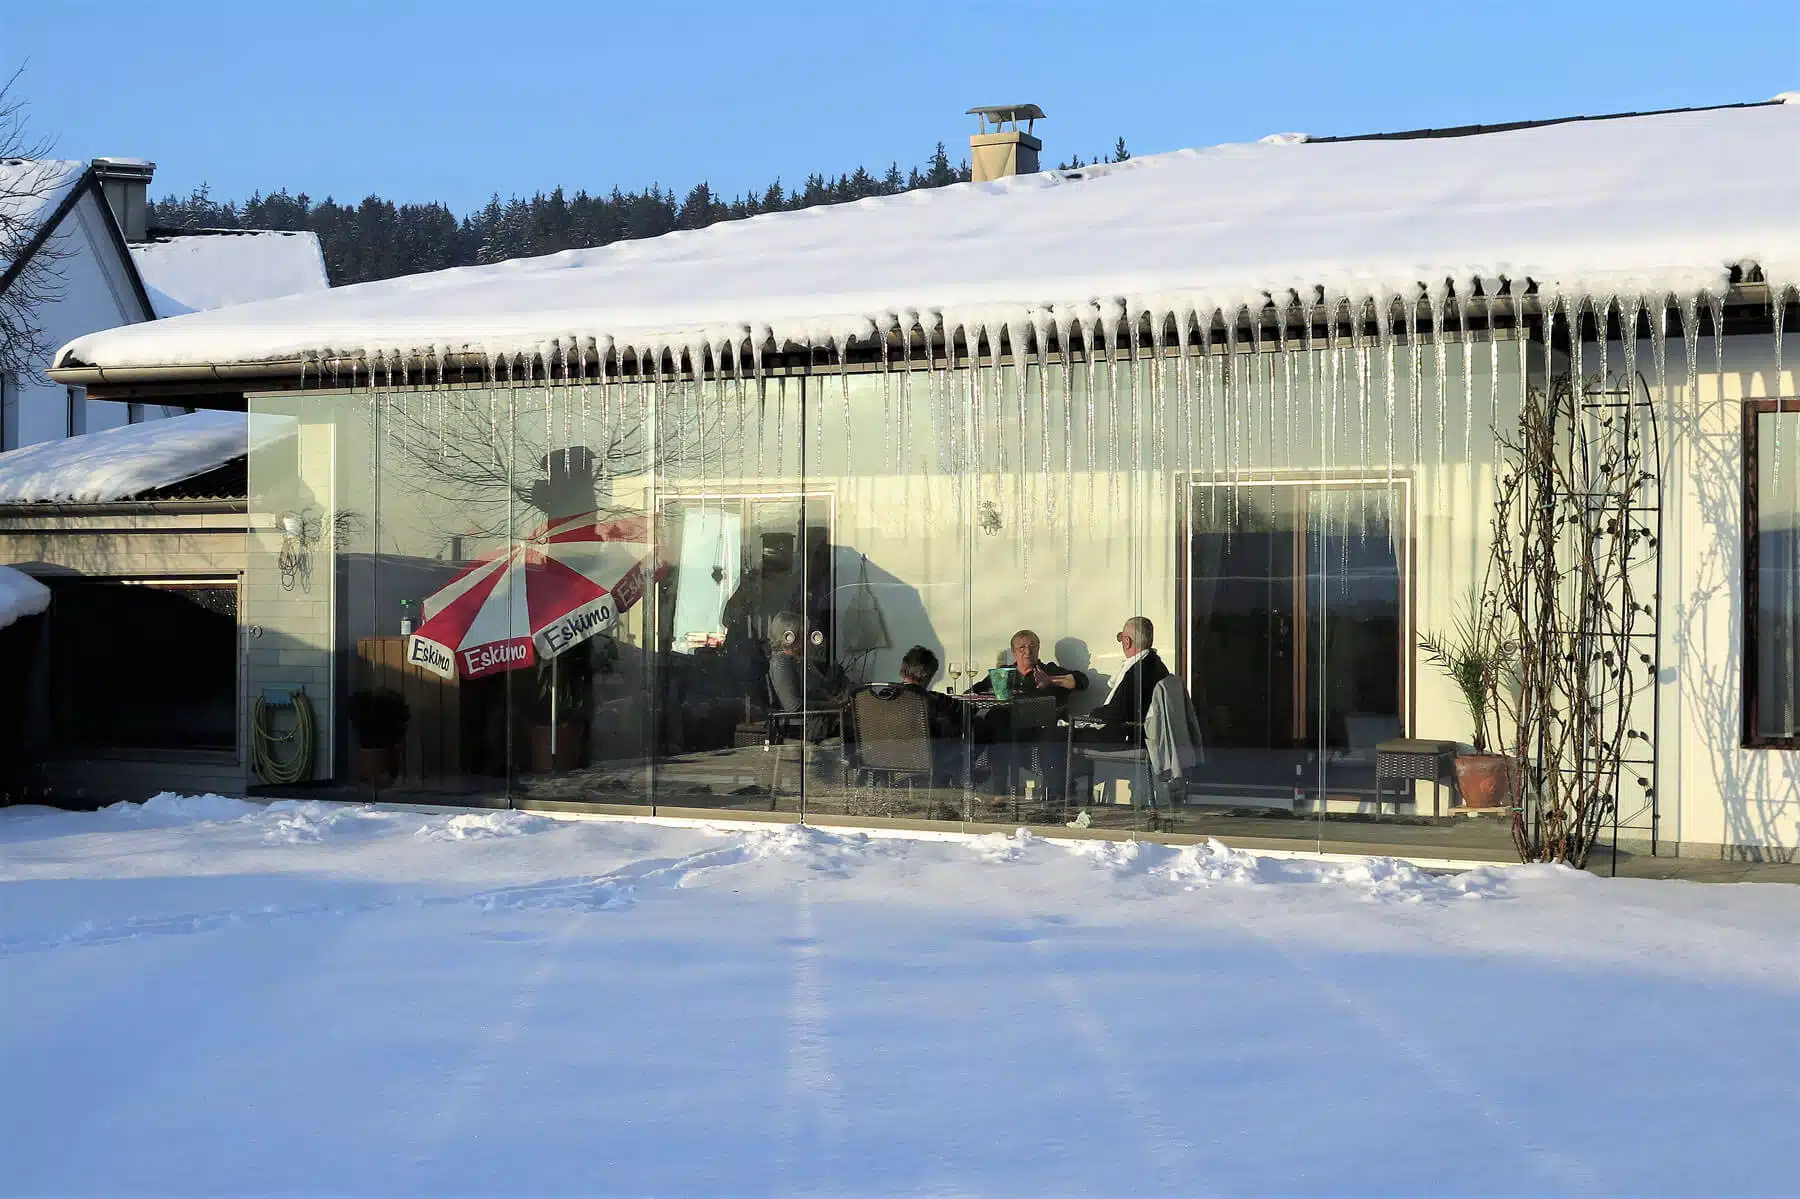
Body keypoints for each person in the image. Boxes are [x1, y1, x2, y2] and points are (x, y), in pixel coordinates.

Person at [966, 629, 1088, 797]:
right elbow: (973, 692)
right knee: (991, 723)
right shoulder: (1004, 673)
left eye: (1032, 646)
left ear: (1038, 649)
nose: (1027, 651)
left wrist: (1051, 681)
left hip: (1037, 732)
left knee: (997, 727)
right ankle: (973, 780)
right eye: (1022, 647)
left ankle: (998, 793)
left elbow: (1082, 681)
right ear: (1014, 652)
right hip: (1006, 734)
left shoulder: (1048, 670)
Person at [1077, 615, 1171, 749]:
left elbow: (1117, 712)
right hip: (1140, 732)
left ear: (1127, 642)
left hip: (1126, 736)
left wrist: (1089, 716)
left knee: (1056, 735)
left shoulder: (1138, 671)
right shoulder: (1155, 664)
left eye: (1121, 638)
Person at [766, 610, 843, 741]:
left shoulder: (798, 659)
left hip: (822, 718)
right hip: (807, 727)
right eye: (801, 635)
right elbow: (793, 707)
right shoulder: (782, 663)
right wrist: (831, 706)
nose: (805, 638)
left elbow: (820, 685)